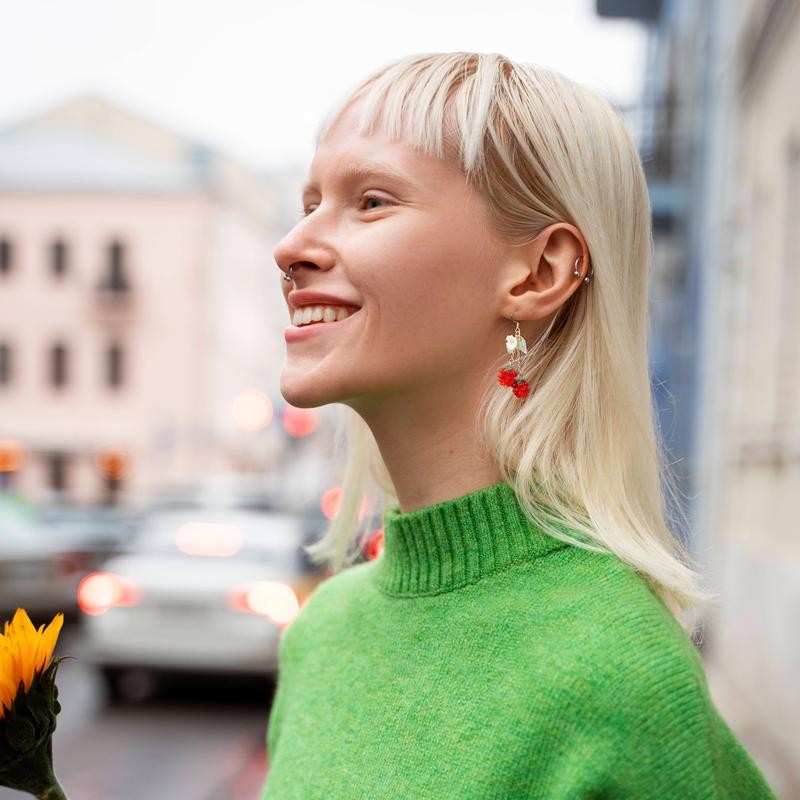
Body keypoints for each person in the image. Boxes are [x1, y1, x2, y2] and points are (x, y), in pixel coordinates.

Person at [262, 51, 777, 799]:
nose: (292, 246)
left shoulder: (615, 675)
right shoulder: (321, 632)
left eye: (371, 201)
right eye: (310, 201)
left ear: (539, 273)